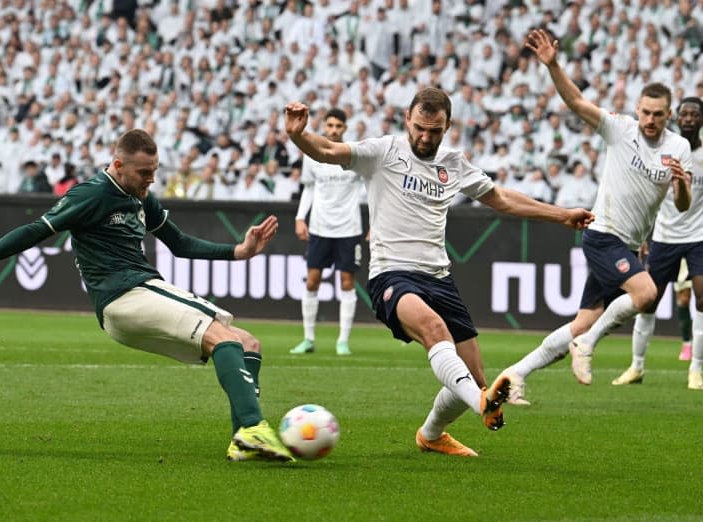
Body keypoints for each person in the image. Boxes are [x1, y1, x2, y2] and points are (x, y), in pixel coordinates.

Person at [0, 129, 294, 462]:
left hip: (138, 295)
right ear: (118, 164)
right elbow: (36, 230)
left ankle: (243, 442)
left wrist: (238, 252)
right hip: (124, 294)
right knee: (223, 338)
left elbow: (179, 243)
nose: (151, 179)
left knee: (247, 343)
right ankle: (252, 426)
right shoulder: (92, 193)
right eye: (144, 172)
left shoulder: (141, 197)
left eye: (155, 171)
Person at [284, 87, 594, 457]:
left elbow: (503, 199)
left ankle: (432, 434)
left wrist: (562, 214)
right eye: (420, 128)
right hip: (392, 275)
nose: (426, 137)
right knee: (435, 331)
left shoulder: (453, 162)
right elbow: (330, 151)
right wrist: (299, 135)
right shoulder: (383, 151)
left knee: (474, 375)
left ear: (448, 126)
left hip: (439, 278)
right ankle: (483, 403)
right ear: (407, 121)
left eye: (435, 131)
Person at [503, 30, 692, 405]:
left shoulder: (678, 147)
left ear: (668, 115)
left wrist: (681, 183)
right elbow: (575, 101)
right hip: (602, 234)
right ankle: (586, 345)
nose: (650, 120)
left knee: (582, 321)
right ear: (637, 109)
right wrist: (554, 65)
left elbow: (682, 204)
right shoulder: (619, 129)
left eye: (658, 114)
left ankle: (514, 375)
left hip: (629, 245)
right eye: (645, 112)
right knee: (647, 293)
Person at [612, 96, 703, 390]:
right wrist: (644, 236)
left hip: (698, 236)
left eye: (695, 114)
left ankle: (697, 369)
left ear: (701, 120)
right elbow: (649, 196)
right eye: (685, 114)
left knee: (702, 299)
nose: (689, 118)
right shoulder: (666, 151)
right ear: (677, 117)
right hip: (664, 237)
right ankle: (637, 367)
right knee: (647, 301)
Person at [290, 108, 364, 356]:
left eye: (338, 126)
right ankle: (308, 338)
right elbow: (309, 188)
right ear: (324, 127)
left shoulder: (354, 154)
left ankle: (343, 341)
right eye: (330, 125)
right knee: (312, 281)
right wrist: (301, 217)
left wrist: (375, 222)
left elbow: (372, 188)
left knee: (347, 282)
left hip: (349, 228)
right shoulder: (311, 155)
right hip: (320, 227)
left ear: (345, 128)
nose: (333, 130)